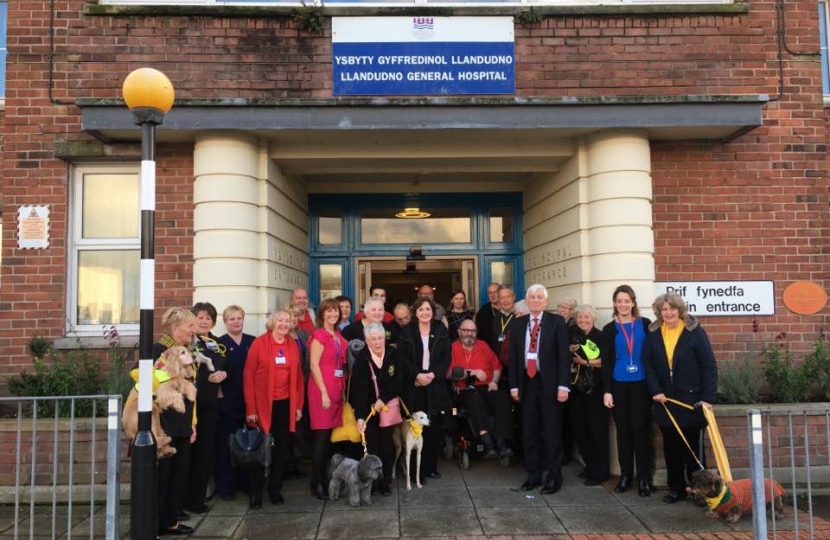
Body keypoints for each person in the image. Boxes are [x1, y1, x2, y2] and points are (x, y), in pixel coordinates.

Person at [643, 292, 717, 504]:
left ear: (680, 310)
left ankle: (699, 491)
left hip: (690, 401)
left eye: (672, 309)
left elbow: (708, 365)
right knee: (671, 447)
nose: (668, 313)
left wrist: (708, 397)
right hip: (665, 401)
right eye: (664, 309)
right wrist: (655, 390)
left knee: (693, 448)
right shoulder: (654, 334)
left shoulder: (695, 332)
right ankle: (677, 488)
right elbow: (648, 365)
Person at [508, 284, 570, 495]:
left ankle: (554, 477)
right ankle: (533, 475)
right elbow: (515, 358)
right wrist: (514, 385)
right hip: (527, 383)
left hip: (551, 384)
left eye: (539, 297)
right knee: (530, 432)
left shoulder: (556, 322)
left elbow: (564, 356)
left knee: (552, 433)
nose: (535, 300)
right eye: (531, 297)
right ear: (527, 301)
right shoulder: (518, 324)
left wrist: (564, 386)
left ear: (545, 301)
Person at [243, 309, 305, 509]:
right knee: (259, 449)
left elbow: (298, 379)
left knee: (282, 448)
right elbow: (248, 376)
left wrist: (298, 405)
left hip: (285, 404)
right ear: (272, 322)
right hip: (262, 405)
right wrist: (251, 408)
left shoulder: (292, 345)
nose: (284, 324)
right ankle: (255, 492)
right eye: (280, 320)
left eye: (287, 321)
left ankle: (275, 489)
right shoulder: (259, 343)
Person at [601, 284, 653, 497]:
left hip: (642, 384)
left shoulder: (647, 325)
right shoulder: (609, 329)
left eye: (627, 301)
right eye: (619, 301)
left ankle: (643, 478)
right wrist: (607, 391)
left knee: (640, 430)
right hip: (618, 384)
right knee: (623, 430)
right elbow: (605, 363)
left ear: (633, 303)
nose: (623, 304)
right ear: (615, 303)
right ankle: (625, 475)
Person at [152, 307, 198, 536]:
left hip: (182, 422)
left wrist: (192, 423)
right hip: (165, 424)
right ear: (174, 328)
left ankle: (170, 519)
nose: (194, 330)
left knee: (178, 475)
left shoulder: (185, 350)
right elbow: (143, 379)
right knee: (163, 476)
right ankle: (155, 522)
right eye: (190, 326)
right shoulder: (159, 350)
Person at [397, 297, 451, 482]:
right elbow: (403, 359)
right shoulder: (407, 332)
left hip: (435, 385)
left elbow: (446, 358)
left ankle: (430, 467)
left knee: (433, 427)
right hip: (415, 385)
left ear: (432, 311)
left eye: (428, 309)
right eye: (421, 310)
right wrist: (417, 375)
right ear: (416, 312)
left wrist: (433, 375)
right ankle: (413, 472)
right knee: (415, 428)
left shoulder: (441, 330)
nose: (425, 313)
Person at [350, 322, 404, 496]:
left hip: (387, 409)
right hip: (369, 410)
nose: (378, 342)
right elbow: (358, 390)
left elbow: (398, 380)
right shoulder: (361, 359)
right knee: (371, 448)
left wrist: (383, 399)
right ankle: (371, 484)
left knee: (387, 447)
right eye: (373, 339)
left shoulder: (393, 354)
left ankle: (385, 482)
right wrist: (360, 416)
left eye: (380, 338)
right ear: (367, 340)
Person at [184, 302, 228, 515]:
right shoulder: (185, 342)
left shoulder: (216, 343)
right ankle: (181, 501)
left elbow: (223, 366)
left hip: (209, 405)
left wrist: (223, 375)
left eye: (208, 318)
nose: (204, 321)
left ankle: (196, 500)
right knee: (186, 455)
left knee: (204, 453)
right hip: (187, 406)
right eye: (200, 317)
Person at [447, 319, 513, 457]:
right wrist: (471, 372)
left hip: (486, 386)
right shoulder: (452, 348)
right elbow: (448, 374)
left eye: (473, 331)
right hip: (464, 389)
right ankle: (487, 441)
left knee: (502, 397)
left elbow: (496, 367)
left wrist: (494, 381)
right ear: (459, 332)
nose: (469, 334)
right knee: (475, 399)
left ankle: (501, 441)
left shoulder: (483, 345)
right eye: (466, 330)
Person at [307, 298, 349, 500]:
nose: (333, 314)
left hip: (336, 389)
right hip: (321, 389)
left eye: (336, 311)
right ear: (322, 314)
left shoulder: (339, 335)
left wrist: (340, 391)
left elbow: (341, 366)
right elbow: (314, 365)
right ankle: (317, 482)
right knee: (321, 438)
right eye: (329, 311)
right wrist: (323, 391)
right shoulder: (319, 335)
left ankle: (325, 477)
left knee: (330, 438)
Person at [566, 304, 609, 486]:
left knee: (597, 432)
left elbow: (606, 361)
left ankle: (600, 472)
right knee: (580, 430)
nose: (583, 320)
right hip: (576, 390)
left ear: (593, 318)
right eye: (580, 317)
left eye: (586, 317)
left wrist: (585, 361)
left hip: (595, 390)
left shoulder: (601, 336)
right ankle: (589, 466)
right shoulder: (573, 336)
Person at [216, 305, 256, 501]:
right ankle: (226, 486)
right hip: (228, 401)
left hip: (249, 401)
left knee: (247, 445)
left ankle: (246, 482)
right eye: (231, 319)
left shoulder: (252, 342)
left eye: (239, 318)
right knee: (226, 445)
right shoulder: (219, 344)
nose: (235, 321)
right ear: (225, 322)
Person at [474, 282, 500, 348]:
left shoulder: (508, 308)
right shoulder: (482, 313)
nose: (492, 295)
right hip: (489, 349)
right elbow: (479, 336)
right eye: (490, 293)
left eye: (495, 292)